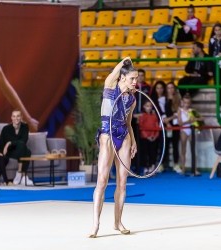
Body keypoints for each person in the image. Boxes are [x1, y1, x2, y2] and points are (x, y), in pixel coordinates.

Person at [90, 57, 138, 238]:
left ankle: (118, 222)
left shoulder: (132, 99)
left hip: (123, 136)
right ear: (123, 78)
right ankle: (96, 224)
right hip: (107, 135)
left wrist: (133, 141)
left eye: (137, 79)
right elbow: (113, 74)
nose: (135, 82)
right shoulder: (111, 87)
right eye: (132, 78)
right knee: (102, 181)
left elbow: (128, 122)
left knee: (122, 182)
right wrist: (123, 61)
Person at [0, 110, 33, 186]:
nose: (16, 118)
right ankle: (23, 176)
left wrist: (10, 142)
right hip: (8, 151)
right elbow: (2, 144)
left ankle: (20, 173)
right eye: (14, 116)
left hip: (19, 149)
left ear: (21, 117)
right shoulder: (6, 128)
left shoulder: (25, 126)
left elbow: (24, 140)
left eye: (18, 116)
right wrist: (2, 151)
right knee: (27, 151)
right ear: (11, 118)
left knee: (24, 147)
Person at [131, 69, 151, 174]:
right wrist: (133, 115)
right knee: (132, 142)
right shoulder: (131, 87)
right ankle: (133, 165)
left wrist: (143, 114)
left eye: (142, 75)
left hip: (144, 117)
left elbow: (150, 102)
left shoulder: (148, 88)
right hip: (132, 118)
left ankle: (143, 166)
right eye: (138, 75)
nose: (140, 77)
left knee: (143, 143)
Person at [177, 94, 203, 175]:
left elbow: (202, 118)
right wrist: (189, 121)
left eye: (188, 103)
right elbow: (180, 123)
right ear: (182, 102)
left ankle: (194, 169)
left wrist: (195, 119)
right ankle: (183, 169)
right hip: (184, 130)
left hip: (191, 130)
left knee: (193, 150)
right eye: (185, 102)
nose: (187, 104)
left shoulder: (192, 110)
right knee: (183, 150)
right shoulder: (180, 110)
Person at [164, 82, 182, 174]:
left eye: (172, 88)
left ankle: (176, 164)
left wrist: (169, 120)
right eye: (168, 88)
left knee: (175, 145)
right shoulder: (164, 99)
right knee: (165, 145)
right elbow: (163, 113)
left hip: (175, 125)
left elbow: (177, 114)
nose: (170, 89)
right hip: (165, 126)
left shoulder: (178, 99)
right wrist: (167, 122)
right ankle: (163, 165)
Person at [150, 81, 168, 172]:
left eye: (161, 88)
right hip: (156, 125)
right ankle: (156, 164)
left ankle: (163, 164)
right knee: (156, 145)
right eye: (157, 88)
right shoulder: (153, 99)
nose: (159, 90)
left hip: (167, 124)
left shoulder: (167, 98)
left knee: (165, 144)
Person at [138, 100, 160, 175]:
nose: (149, 108)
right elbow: (141, 127)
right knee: (145, 153)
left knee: (153, 153)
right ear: (144, 107)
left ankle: (152, 167)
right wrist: (147, 136)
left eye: (150, 106)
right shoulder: (142, 116)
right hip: (145, 138)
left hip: (153, 137)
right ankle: (145, 168)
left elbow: (157, 127)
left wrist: (155, 136)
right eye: (147, 106)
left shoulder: (154, 116)